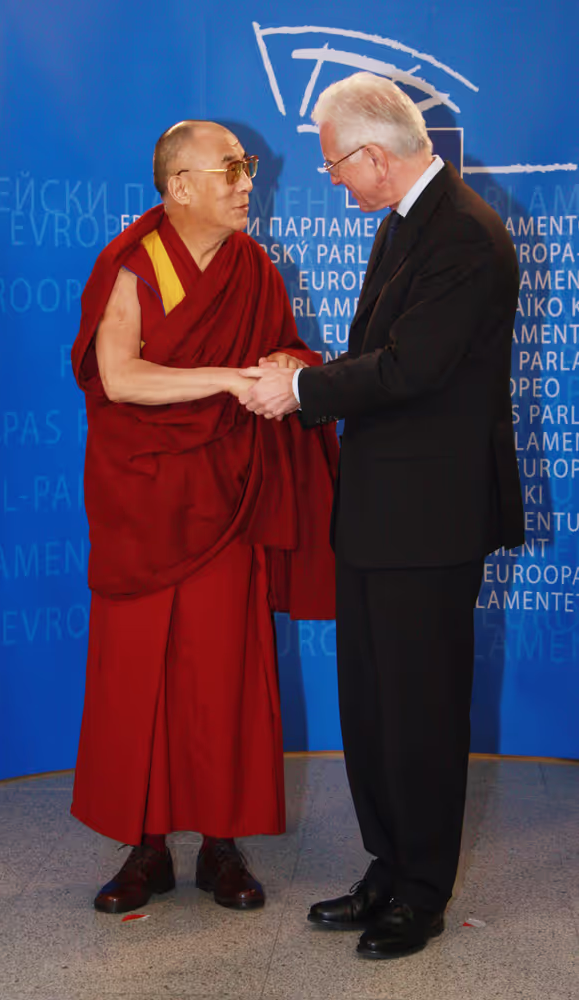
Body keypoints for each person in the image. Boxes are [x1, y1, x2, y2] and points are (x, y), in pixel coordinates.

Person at [241, 73, 524, 958]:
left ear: (374, 155)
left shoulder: (465, 235)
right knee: (371, 706)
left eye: (334, 165)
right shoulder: (406, 224)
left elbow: (411, 372)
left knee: (422, 710)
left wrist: (300, 390)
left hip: (430, 519)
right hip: (378, 510)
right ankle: (387, 864)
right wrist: (310, 367)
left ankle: (424, 890)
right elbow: (380, 355)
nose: (332, 179)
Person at [70, 120, 337, 915]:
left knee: (226, 671)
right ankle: (143, 847)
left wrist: (291, 364)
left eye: (247, 167)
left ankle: (222, 843)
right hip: (146, 499)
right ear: (179, 184)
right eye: (229, 169)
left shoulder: (255, 266)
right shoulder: (132, 261)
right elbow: (119, 377)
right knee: (138, 677)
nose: (246, 181)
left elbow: (283, 347)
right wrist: (229, 380)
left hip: (228, 495)